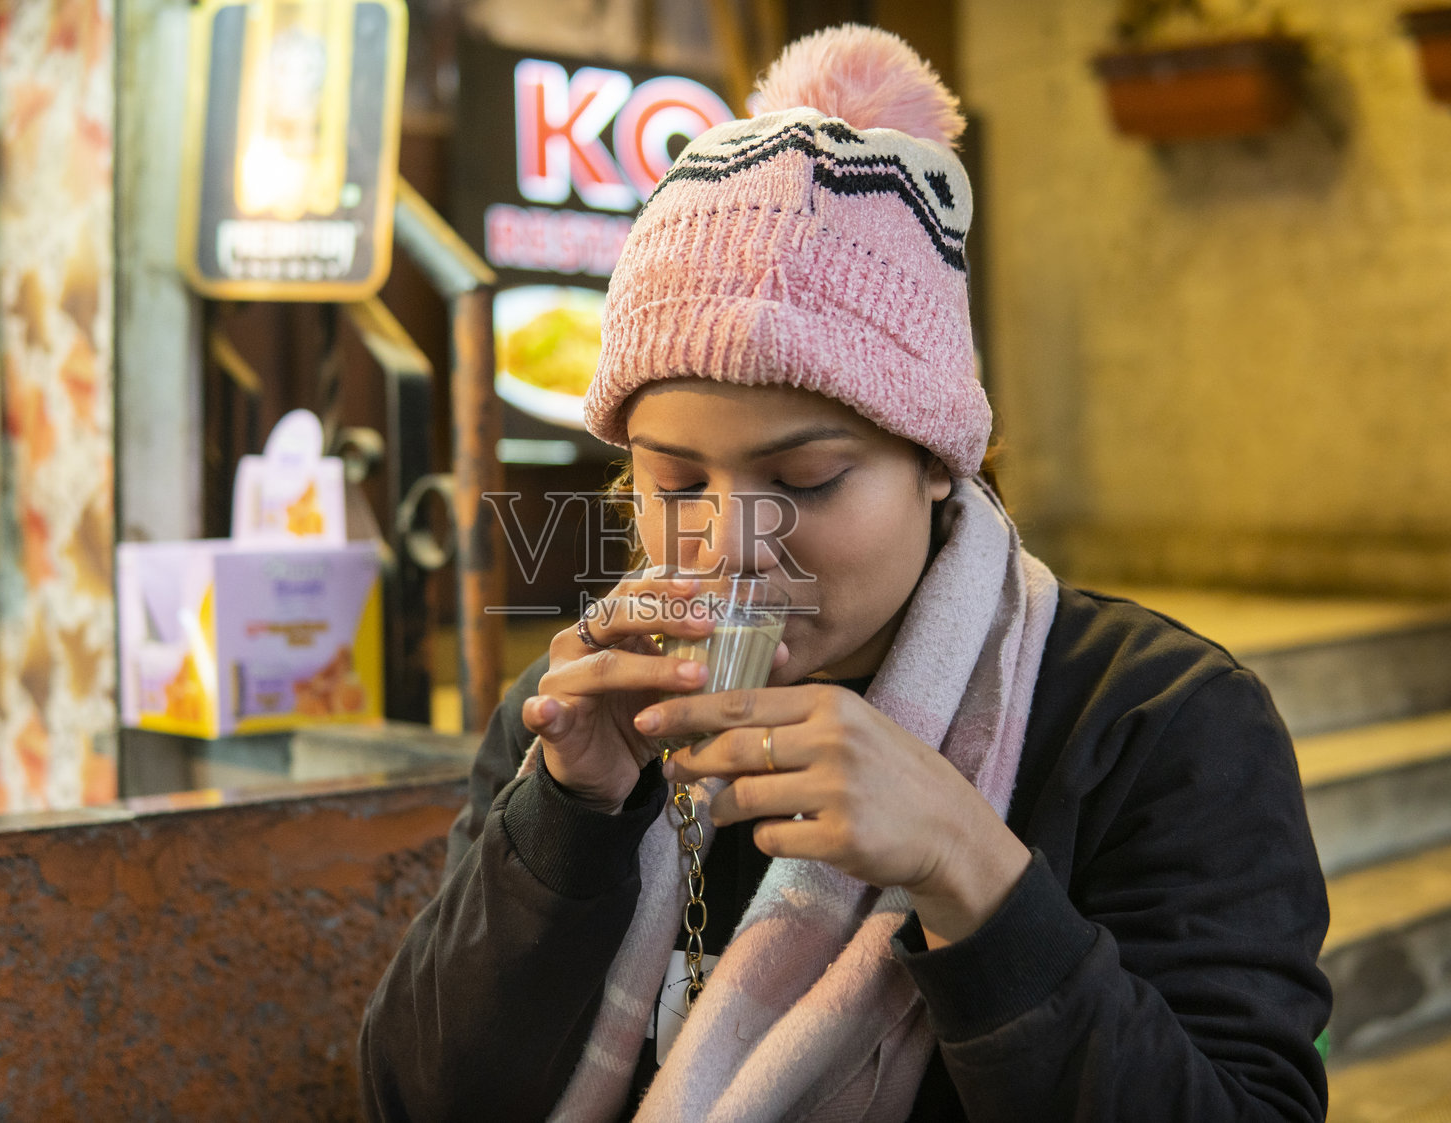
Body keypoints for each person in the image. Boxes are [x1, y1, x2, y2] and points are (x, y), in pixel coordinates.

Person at [358, 23, 1330, 1123]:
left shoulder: (1155, 725)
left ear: (933, 461)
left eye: (808, 479)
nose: (730, 541)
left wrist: (969, 868)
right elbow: (412, 1099)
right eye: (676, 484)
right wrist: (567, 820)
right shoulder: (585, 720)